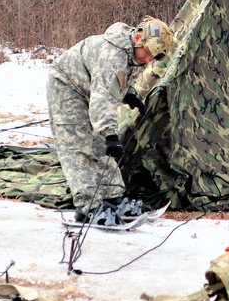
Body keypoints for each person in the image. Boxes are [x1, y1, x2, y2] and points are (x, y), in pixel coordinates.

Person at [47, 17, 173, 224]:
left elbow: (118, 82)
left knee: (100, 145)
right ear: (138, 38)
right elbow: (103, 96)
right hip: (66, 85)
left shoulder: (133, 54)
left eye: (155, 56)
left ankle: (112, 197)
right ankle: (88, 206)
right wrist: (111, 134)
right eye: (148, 52)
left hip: (90, 88)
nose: (149, 59)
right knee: (78, 145)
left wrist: (129, 94)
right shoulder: (112, 55)